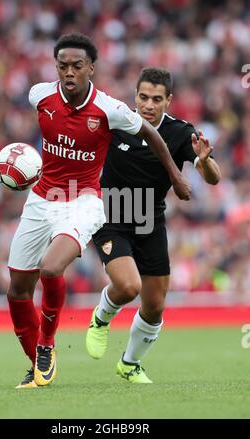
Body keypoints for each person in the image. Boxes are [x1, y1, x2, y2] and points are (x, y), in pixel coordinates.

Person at [6, 34, 191, 389]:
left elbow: (151, 133)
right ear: (55, 67)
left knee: (51, 266)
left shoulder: (109, 109)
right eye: (63, 66)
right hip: (42, 198)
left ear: (91, 68)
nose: (69, 73)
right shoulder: (38, 96)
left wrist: (175, 175)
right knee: (16, 289)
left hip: (84, 201)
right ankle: (37, 365)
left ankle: (47, 343)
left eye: (77, 66)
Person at [86, 67, 221, 383]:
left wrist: (203, 161)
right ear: (135, 96)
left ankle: (129, 364)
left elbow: (212, 177)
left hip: (150, 218)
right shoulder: (117, 121)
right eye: (143, 97)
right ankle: (101, 318)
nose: (148, 104)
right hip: (110, 216)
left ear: (169, 100)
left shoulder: (179, 133)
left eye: (156, 99)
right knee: (128, 286)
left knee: (155, 303)